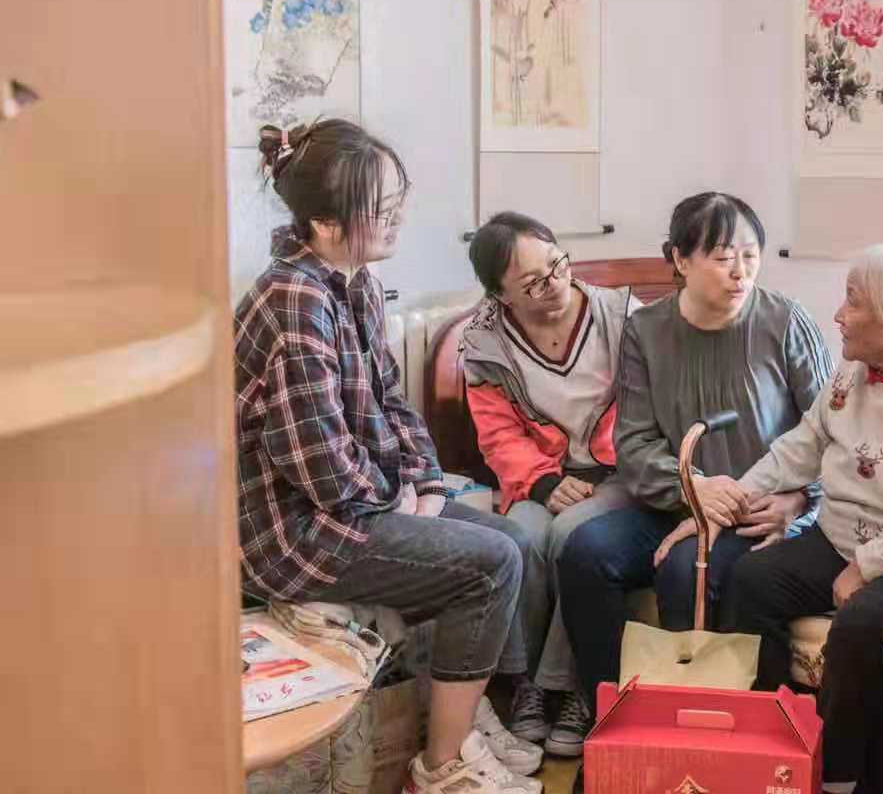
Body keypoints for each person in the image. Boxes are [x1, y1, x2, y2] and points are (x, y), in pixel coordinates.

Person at [235, 120, 541, 794]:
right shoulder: (293, 300)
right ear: (325, 221)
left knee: (513, 539)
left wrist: (426, 484)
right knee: (489, 564)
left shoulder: (360, 284)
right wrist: (396, 501)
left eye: (396, 201)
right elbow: (319, 464)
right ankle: (442, 767)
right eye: (381, 207)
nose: (397, 217)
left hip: (360, 504)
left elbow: (392, 403)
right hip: (299, 533)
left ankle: (465, 716)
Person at [713, 244, 883, 794]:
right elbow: (807, 443)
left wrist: (869, 563)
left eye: (853, 301)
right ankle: (773, 749)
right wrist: (737, 494)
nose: (838, 315)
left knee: (861, 621)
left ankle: (836, 778)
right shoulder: (854, 364)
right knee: (750, 581)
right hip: (836, 534)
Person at [556, 193, 834, 718]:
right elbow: (634, 441)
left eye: (750, 255)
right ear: (681, 261)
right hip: (676, 501)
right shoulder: (646, 330)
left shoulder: (785, 321)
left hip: (756, 512)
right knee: (584, 553)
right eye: (724, 257)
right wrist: (694, 489)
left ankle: (702, 728)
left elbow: (832, 430)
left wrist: (800, 499)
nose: (740, 272)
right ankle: (614, 714)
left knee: (686, 569)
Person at [462, 211, 640, 757]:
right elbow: (497, 433)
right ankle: (525, 685)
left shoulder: (621, 316)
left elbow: (653, 406)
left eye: (558, 265)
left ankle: (573, 686)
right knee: (518, 538)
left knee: (572, 539)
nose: (556, 284)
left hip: (621, 471)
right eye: (534, 283)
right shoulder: (485, 342)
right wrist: (541, 483)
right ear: (501, 294)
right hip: (542, 476)